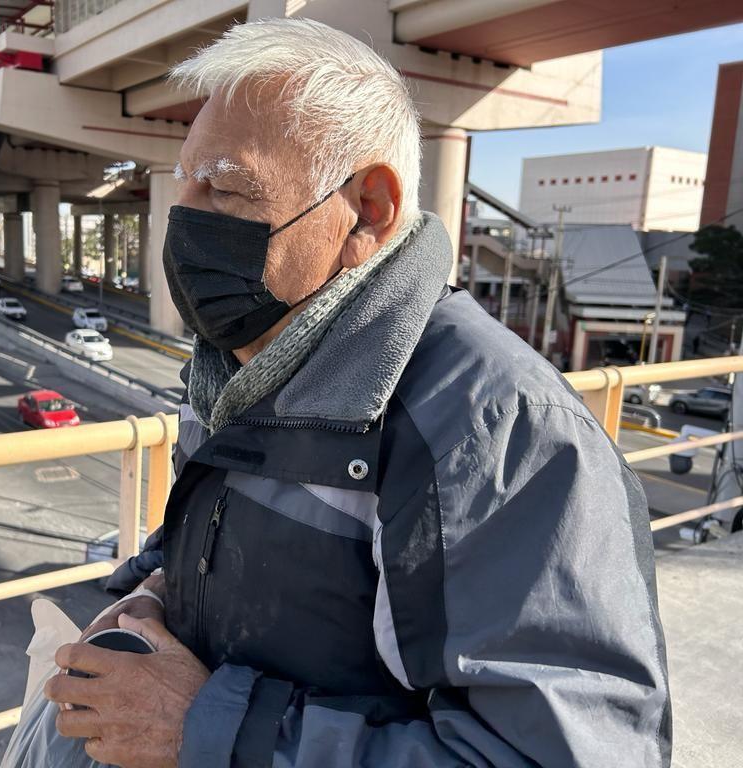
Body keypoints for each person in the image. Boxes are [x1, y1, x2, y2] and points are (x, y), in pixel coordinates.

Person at [45, 19, 671, 768]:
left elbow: (565, 755)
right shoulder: (246, 362)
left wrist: (205, 728)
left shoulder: (493, 432)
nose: (187, 224)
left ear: (369, 209)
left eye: (230, 188)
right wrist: (152, 593)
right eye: (187, 188)